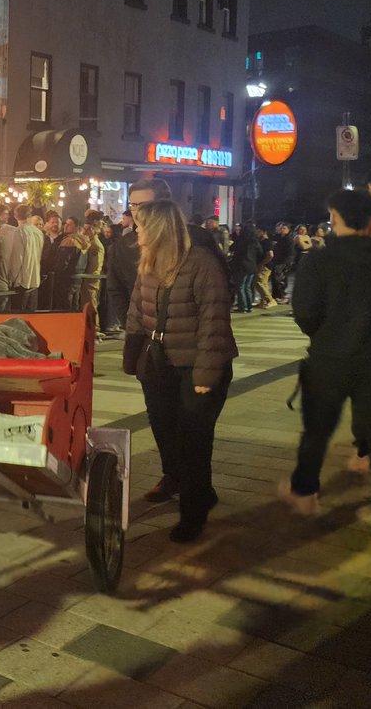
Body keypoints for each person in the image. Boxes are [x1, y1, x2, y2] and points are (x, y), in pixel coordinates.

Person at [124, 200, 236, 542]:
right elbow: (136, 311)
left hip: (196, 365)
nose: (136, 231)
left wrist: (204, 377)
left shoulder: (200, 263)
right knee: (166, 433)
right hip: (160, 363)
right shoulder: (148, 262)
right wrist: (132, 357)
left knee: (193, 441)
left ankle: (193, 513)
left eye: (141, 226)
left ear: (157, 229)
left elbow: (213, 323)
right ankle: (198, 491)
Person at [279, 189, 371, 515]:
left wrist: (325, 335)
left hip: (328, 359)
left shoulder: (319, 259)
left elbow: (304, 311)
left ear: (334, 218)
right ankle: (364, 458)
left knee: (317, 431)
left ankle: (305, 492)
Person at [105, 210, 138, 338]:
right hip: (137, 326)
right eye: (134, 206)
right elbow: (115, 287)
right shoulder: (121, 246)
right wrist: (127, 323)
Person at [228, 223, 263, 313]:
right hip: (252, 266)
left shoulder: (242, 241)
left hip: (241, 266)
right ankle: (249, 306)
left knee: (240, 287)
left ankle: (243, 307)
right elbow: (260, 253)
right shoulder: (255, 242)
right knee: (247, 287)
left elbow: (232, 248)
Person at [253, 227, 275, 309]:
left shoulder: (267, 242)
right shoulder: (261, 241)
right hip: (262, 264)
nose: (257, 233)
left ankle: (270, 300)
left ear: (264, 232)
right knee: (263, 283)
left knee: (259, 282)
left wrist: (262, 263)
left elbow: (270, 255)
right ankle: (263, 301)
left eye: (259, 231)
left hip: (265, 265)